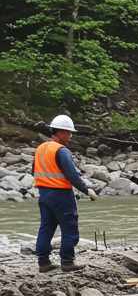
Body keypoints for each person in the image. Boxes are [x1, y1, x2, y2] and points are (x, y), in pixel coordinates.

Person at [33, 114, 97, 272]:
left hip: (44, 194)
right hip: (61, 195)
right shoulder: (61, 151)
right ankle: (67, 262)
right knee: (69, 228)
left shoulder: (40, 149)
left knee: (46, 228)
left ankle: (43, 263)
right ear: (60, 132)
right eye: (68, 132)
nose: (70, 136)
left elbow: (34, 169)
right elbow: (72, 175)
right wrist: (87, 190)